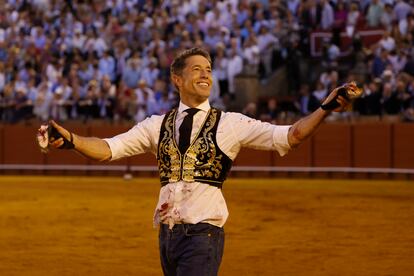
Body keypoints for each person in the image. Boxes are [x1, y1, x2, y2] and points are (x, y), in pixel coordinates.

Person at [46, 47, 352, 276]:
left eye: (208, 69)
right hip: (167, 234)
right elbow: (108, 148)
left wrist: (324, 108)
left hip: (204, 234)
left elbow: (290, 136)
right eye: (196, 69)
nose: (205, 74)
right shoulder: (156, 125)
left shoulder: (230, 123)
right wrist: (71, 140)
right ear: (177, 78)